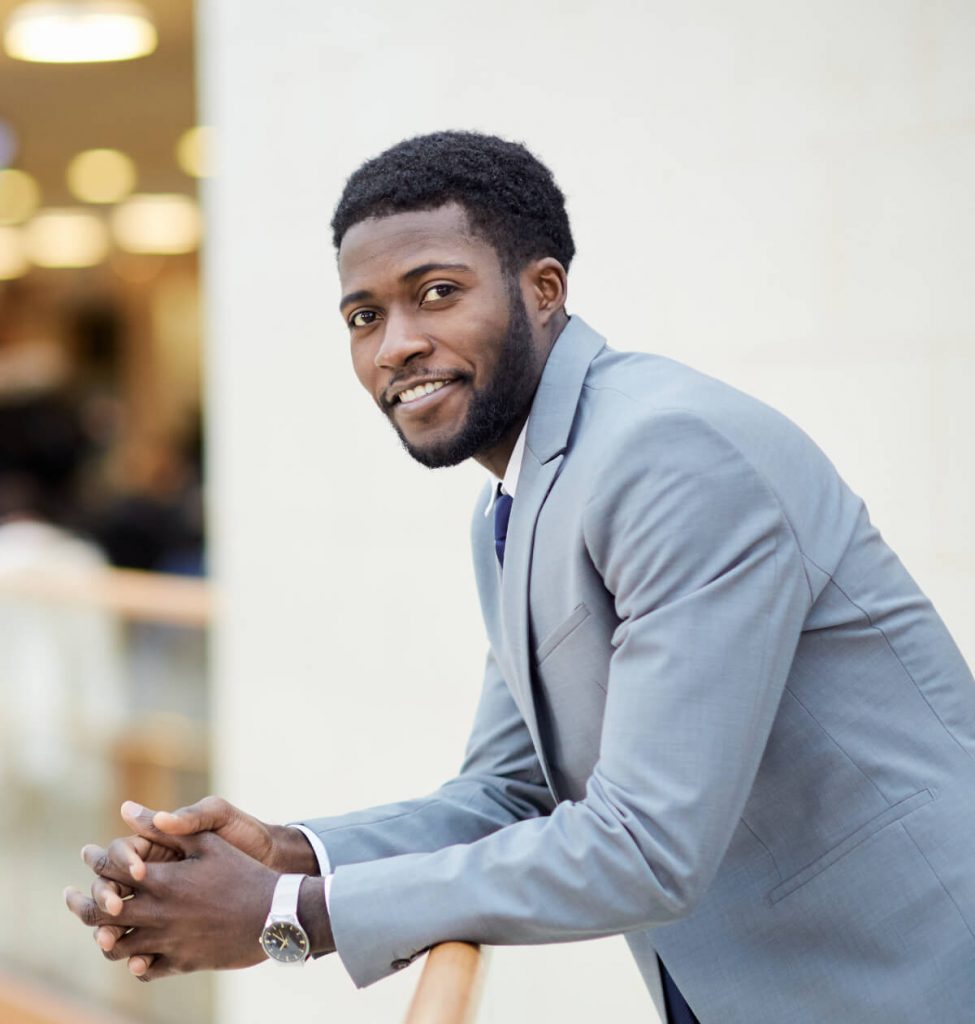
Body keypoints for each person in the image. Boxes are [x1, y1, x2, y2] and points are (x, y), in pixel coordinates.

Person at [65, 132, 975, 1023]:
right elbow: (507, 795)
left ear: (543, 291)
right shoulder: (512, 504)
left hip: (914, 979)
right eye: (364, 316)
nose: (395, 346)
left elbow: (647, 845)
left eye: (436, 293)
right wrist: (292, 856)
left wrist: (283, 919)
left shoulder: (670, 456)